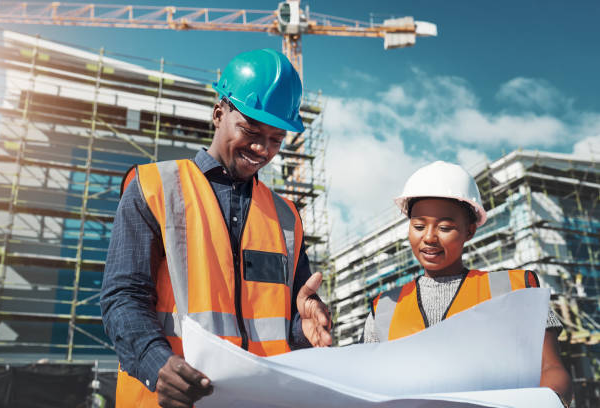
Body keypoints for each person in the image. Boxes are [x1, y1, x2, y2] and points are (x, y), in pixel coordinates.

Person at [100, 48, 332, 408]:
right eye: (250, 130)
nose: (262, 149)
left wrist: (304, 328)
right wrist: (157, 364)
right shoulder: (153, 188)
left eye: (276, 139)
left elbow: (284, 322)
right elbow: (122, 299)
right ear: (218, 113)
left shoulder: (287, 217)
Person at [363, 161, 572, 407]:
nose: (429, 237)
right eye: (418, 226)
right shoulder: (384, 308)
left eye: (445, 227)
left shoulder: (516, 289)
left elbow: (551, 368)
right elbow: (369, 387)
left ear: (469, 231)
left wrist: (552, 400)